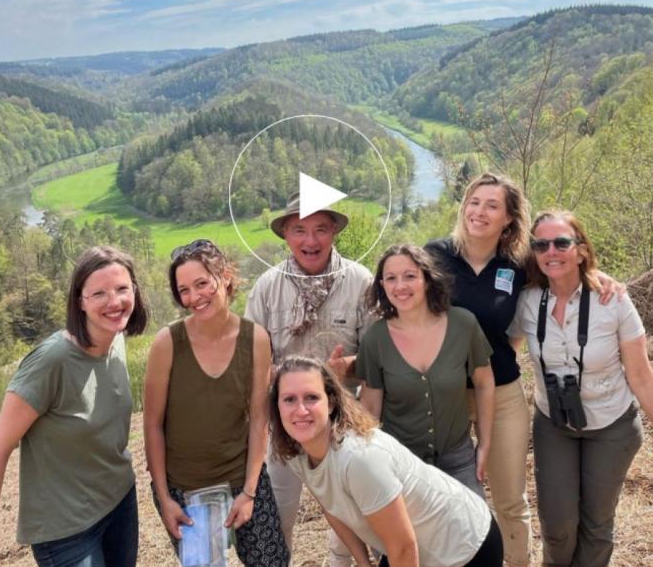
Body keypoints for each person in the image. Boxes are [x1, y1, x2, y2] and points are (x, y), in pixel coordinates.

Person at [425, 172, 623, 567]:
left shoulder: (519, 265)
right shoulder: (435, 256)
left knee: (510, 499)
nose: (479, 211)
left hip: (500, 392)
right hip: (443, 394)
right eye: (474, 201)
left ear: (509, 220)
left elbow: (563, 273)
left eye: (492, 205)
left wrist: (597, 277)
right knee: (449, 495)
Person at [0, 245, 148, 567]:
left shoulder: (115, 341)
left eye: (122, 288)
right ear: (80, 301)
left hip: (119, 503)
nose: (114, 302)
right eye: (99, 293)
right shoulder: (51, 362)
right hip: (67, 532)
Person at [508, 210, 653, 567]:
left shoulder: (612, 300)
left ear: (582, 249)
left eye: (561, 242)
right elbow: (505, 354)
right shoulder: (527, 301)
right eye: (541, 244)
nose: (550, 251)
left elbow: (640, 374)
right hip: (554, 425)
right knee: (557, 524)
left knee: (596, 524)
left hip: (611, 426)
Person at [270, 356, 504, 567]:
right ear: (277, 406)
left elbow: (403, 547)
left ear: (330, 403)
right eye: (289, 399)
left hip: (465, 547)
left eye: (311, 397)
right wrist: (363, 562)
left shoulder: (358, 459)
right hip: (414, 548)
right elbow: (330, 506)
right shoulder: (297, 450)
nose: (300, 410)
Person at [245, 191, 373, 567]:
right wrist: (276, 378)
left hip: (343, 422)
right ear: (285, 234)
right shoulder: (268, 287)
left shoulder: (360, 281)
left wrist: (345, 368)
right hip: (283, 425)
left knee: (349, 513)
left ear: (334, 231)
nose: (310, 240)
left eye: (320, 229)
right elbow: (251, 360)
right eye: (299, 230)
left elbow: (378, 354)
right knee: (278, 514)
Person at [144, 240, 289, 567]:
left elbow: (258, 419)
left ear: (224, 276)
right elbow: (152, 424)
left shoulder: (256, 339)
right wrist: (165, 498)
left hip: (242, 478)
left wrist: (250, 491)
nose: (194, 297)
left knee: (272, 563)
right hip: (184, 488)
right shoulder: (167, 343)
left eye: (201, 283)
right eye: (184, 290)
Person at [356, 244, 494, 497]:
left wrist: (484, 444)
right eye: (391, 278)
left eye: (410, 276)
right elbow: (371, 410)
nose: (400, 286)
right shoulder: (375, 339)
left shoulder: (463, 324)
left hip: (458, 459)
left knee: (478, 533)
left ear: (427, 279)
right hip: (401, 462)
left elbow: (484, 383)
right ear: (382, 286)